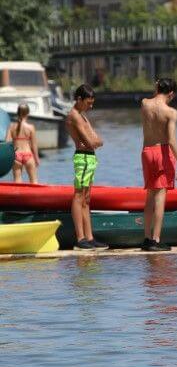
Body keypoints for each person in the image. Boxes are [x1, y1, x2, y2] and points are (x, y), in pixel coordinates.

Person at [140, 78, 177, 251]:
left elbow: (152, 98)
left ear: (157, 88)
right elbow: (171, 138)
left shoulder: (144, 104)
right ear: (171, 93)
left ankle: (146, 238)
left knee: (150, 196)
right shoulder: (170, 112)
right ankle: (156, 240)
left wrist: (156, 89)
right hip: (162, 152)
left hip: (146, 152)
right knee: (160, 198)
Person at [65, 84, 107, 251]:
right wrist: (95, 141)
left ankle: (89, 237)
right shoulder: (74, 115)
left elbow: (95, 139)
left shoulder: (82, 116)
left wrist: (95, 141)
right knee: (78, 196)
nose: (91, 106)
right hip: (82, 157)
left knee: (87, 198)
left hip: (89, 157)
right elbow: (91, 141)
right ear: (79, 99)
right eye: (88, 103)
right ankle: (80, 238)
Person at [5, 103, 39, 183]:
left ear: (17, 113)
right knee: (34, 180)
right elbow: (34, 145)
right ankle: (33, 195)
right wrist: (37, 159)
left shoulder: (11, 126)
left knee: (17, 180)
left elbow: (7, 143)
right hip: (28, 155)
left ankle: (18, 195)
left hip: (16, 155)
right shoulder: (31, 127)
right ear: (28, 113)